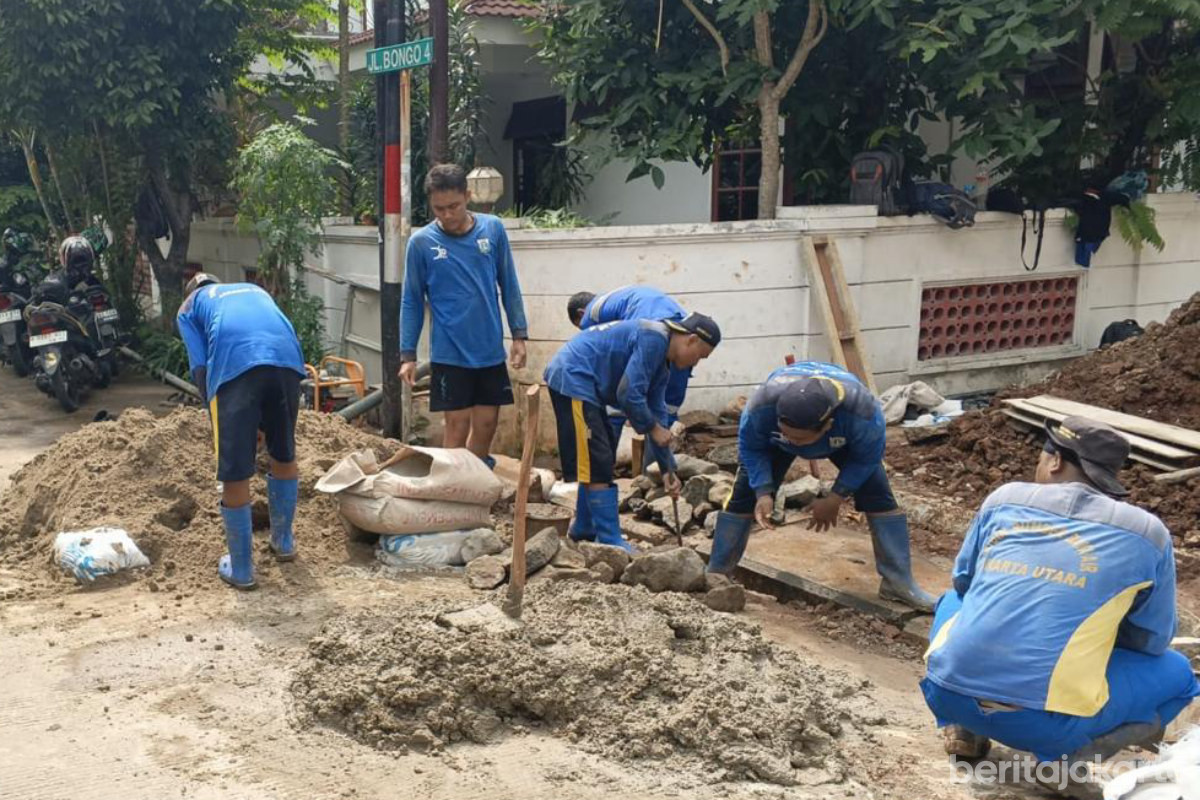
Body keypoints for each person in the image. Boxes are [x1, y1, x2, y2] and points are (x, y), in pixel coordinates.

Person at [922, 416, 1199, 788]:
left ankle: (965, 728)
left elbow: (964, 582)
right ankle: (1064, 763)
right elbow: (1150, 641)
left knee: (952, 602)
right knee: (1180, 677)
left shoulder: (1003, 500)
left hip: (945, 693)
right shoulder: (1147, 533)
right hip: (1043, 726)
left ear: (1054, 461)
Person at [708, 361, 936, 612]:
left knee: (879, 497)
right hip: (774, 444)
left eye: (800, 439)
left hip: (844, 441)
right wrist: (763, 491)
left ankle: (898, 583)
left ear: (827, 425)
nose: (794, 443)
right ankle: (718, 573)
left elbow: (866, 458)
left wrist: (836, 497)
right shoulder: (762, 405)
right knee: (742, 497)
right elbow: (751, 447)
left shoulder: (863, 412)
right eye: (788, 435)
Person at [545, 313, 721, 552]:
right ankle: (609, 538)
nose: (696, 364)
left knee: (601, 455)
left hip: (589, 387)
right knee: (596, 456)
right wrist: (651, 428)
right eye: (700, 356)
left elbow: (657, 415)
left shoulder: (662, 363)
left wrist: (667, 468)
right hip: (574, 377)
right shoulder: (654, 338)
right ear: (690, 339)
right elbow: (628, 394)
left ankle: (584, 528)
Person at [177, 273, 306, 590]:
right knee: (283, 450)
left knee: (234, 469)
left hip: (236, 365)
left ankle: (242, 569)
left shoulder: (188, 306)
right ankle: (284, 543)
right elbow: (264, 343)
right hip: (288, 360)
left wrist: (216, 419)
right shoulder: (253, 289)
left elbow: (201, 367)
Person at [400, 164, 528, 468]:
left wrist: (519, 335)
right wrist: (407, 354)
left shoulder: (492, 229)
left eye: (453, 206)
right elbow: (411, 300)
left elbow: (509, 283)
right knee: (456, 427)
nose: (447, 215)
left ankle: (475, 484)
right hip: (449, 352)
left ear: (468, 196)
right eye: (439, 208)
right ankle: (451, 491)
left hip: (488, 350)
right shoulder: (421, 243)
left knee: (486, 425)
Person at [567, 286, 692, 441]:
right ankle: (661, 459)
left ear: (581, 313)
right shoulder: (618, 298)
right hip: (682, 331)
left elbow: (610, 356)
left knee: (618, 403)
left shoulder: (591, 313)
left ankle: (612, 456)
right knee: (665, 411)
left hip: (652, 333)